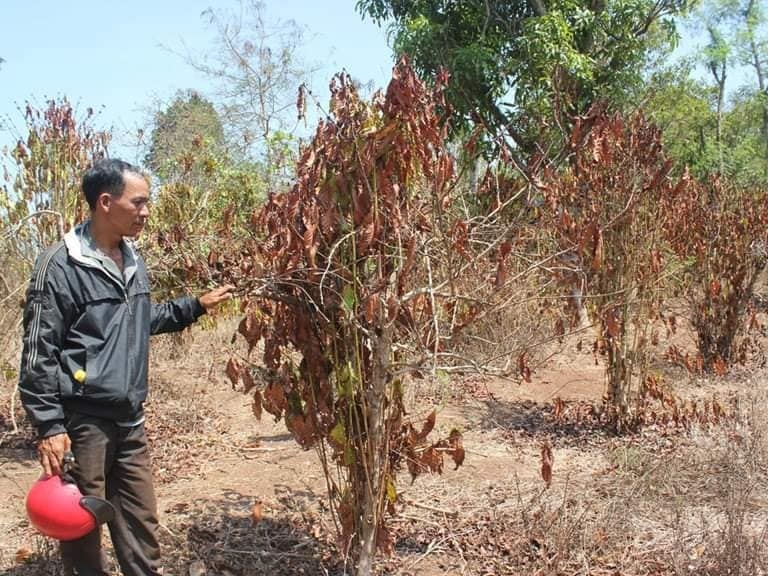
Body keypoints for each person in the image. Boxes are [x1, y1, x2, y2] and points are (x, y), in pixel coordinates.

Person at [18, 158, 233, 576]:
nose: (146, 212)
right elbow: (37, 353)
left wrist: (194, 307)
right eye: (138, 202)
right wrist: (49, 426)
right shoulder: (60, 266)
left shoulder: (131, 259)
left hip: (130, 419)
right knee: (80, 523)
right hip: (83, 421)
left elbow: (138, 321)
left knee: (140, 519)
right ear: (105, 202)